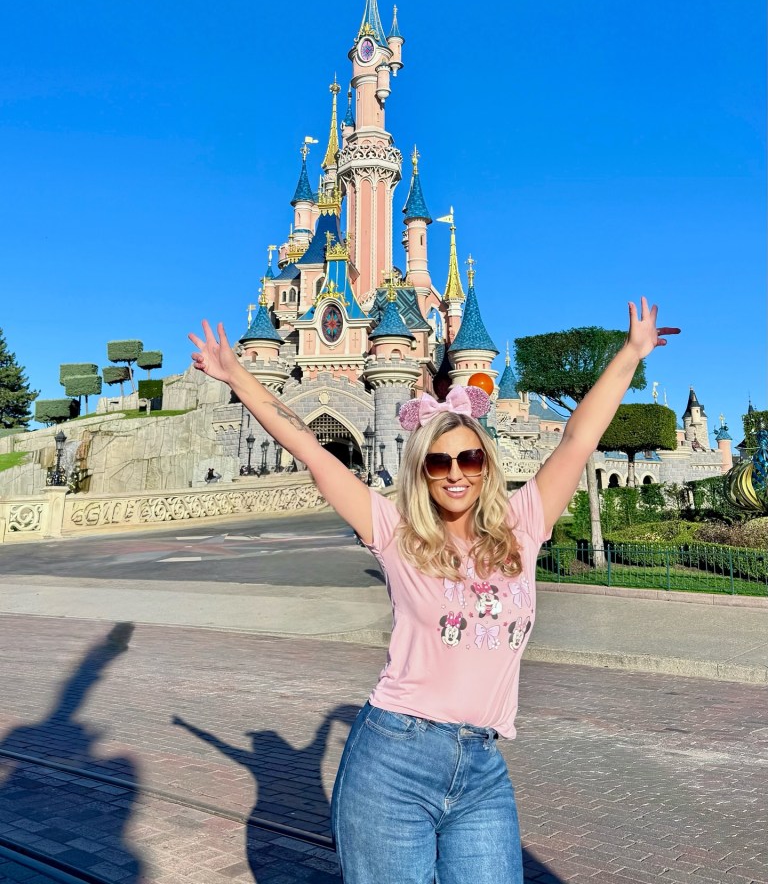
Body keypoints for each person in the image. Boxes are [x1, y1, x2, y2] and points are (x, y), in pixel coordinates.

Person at [188, 297, 679, 884]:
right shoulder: (396, 533)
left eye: (469, 458)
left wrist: (629, 353)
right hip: (393, 761)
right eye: (438, 462)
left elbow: (577, 438)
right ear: (421, 468)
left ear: (486, 465)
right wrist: (236, 373)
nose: (454, 472)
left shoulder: (524, 524)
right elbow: (312, 451)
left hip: (482, 768)